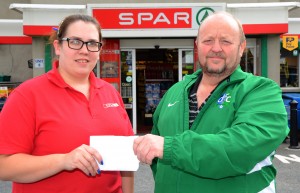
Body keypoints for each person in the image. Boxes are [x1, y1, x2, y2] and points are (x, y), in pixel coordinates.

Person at [133, 11, 288, 193]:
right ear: (197, 45)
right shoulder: (174, 92)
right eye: (208, 41)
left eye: (226, 41)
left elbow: (240, 149)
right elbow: (157, 162)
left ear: (241, 47)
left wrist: (170, 148)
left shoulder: (261, 91)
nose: (216, 48)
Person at [0, 14, 134, 193]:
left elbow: (125, 161)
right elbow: (4, 166)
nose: (84, 50)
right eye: (75, 42)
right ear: (58, 47)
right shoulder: (27, 95)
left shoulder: (111, 94)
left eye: (92, 43)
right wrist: (64, 161)